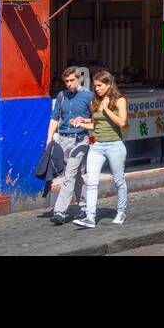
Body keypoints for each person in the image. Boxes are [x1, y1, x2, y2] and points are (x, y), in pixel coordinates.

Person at [72, 71, 128, 228]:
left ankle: (121, 211)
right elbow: (95, 125)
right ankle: (90, 217)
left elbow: (122, 122)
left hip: (115, 145)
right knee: (91, 181)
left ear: (109, 84)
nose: (96, 89)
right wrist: (81, 123)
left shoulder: (120, 100)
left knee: (119, 181)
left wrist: (107, 110)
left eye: (99, 86)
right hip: (96, 146)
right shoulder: (95, 101)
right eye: (95, 86)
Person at [44, 67, 92, 225]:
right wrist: (49, 138)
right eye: (66, 81)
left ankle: (60, 212)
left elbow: (97, 119)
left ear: (78, 78)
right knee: (75, 174)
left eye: (72, 80)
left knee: (69, 176)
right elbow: (54, 117)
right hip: (63, 139)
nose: (69, 84)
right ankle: (86, 206)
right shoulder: (61, 96)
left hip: (80, 140)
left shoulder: (88, 96)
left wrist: (85, 123)